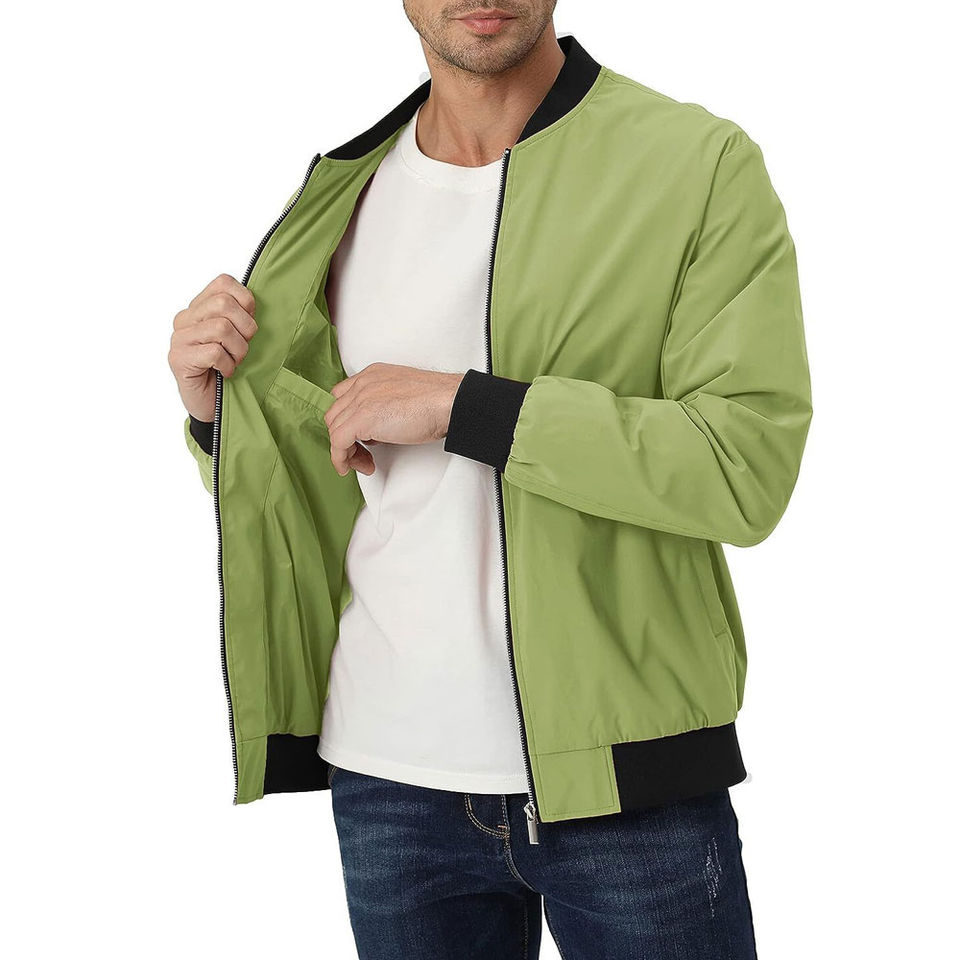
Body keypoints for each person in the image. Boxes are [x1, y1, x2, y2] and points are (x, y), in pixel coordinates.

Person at [168, 3, 812, 957]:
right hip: (389, 776)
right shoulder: (342, 196)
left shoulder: (696, 164)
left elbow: (742, 463)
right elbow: (326, 484)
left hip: (629, 777)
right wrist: (220, 418)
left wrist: (470, 408)